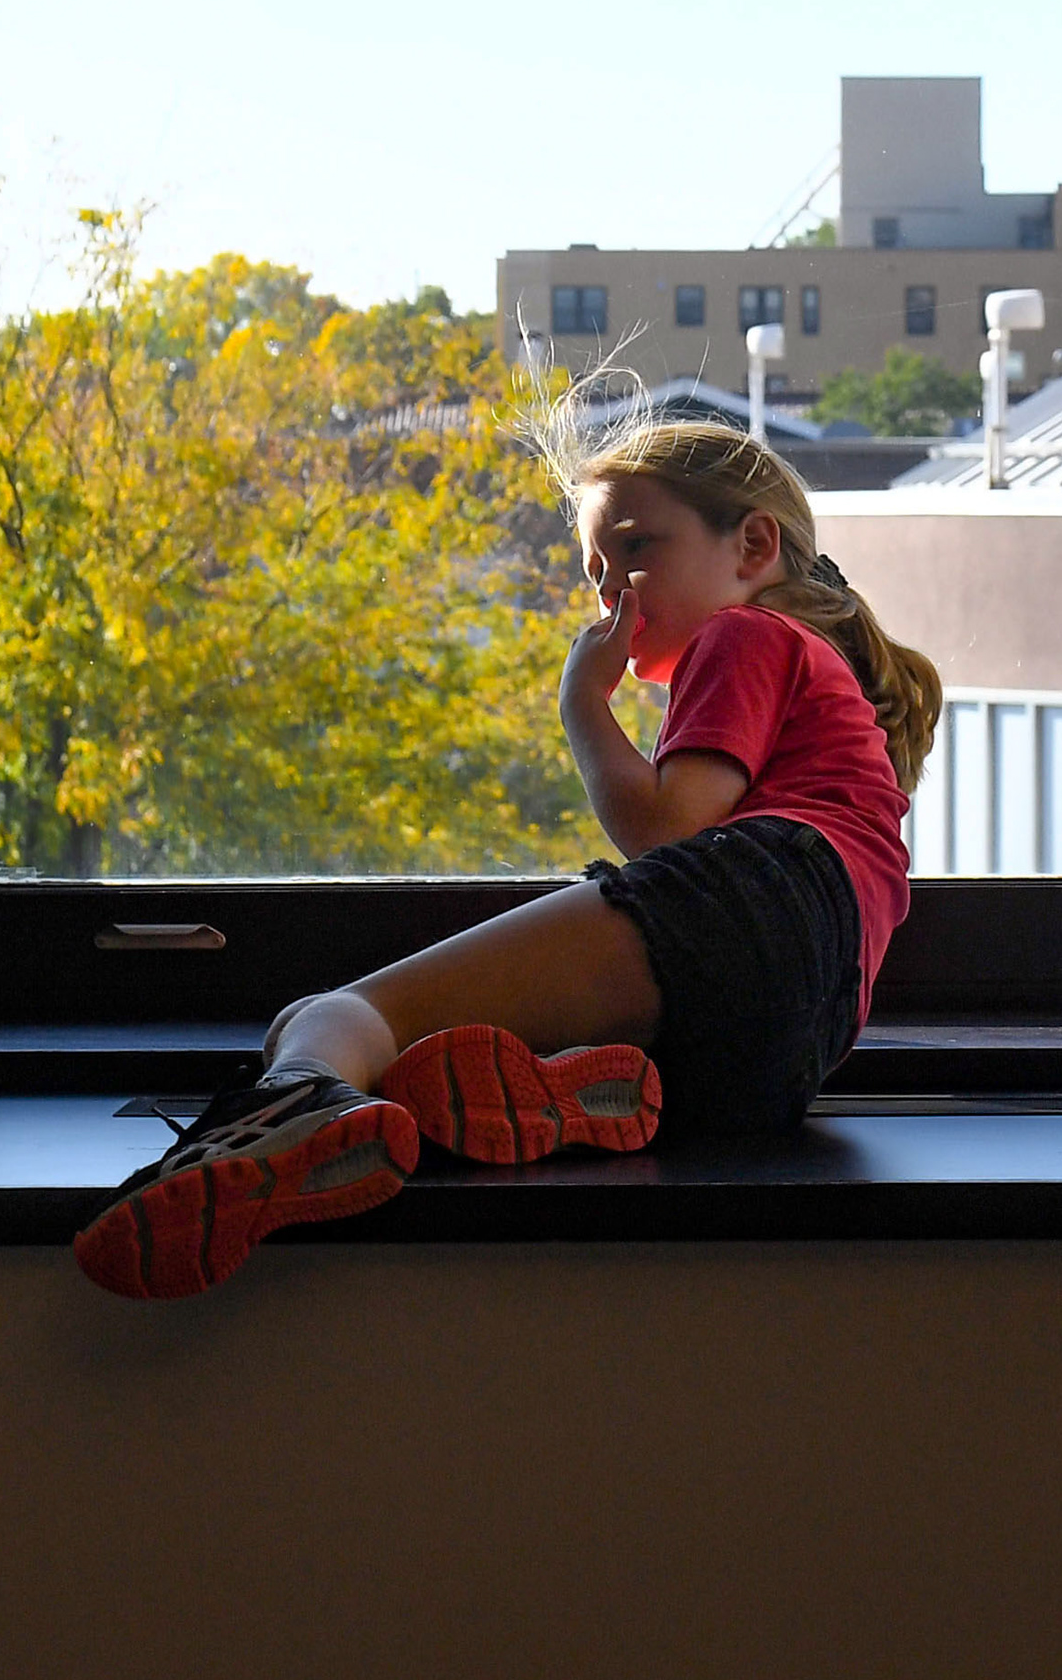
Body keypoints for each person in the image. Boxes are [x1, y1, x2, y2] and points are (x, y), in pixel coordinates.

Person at [73, 413, 937, 1298]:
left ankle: (293, 1099)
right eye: (596, 576)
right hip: (795, 1043)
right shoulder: (826, 682)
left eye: (636, 550)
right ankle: (555, 1102)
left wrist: (580, 705)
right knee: (439, 1060)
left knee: (341, 1010)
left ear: (754, 544)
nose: (613, 598)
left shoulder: (746, 637)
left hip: (761, 900)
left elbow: (668, 834)